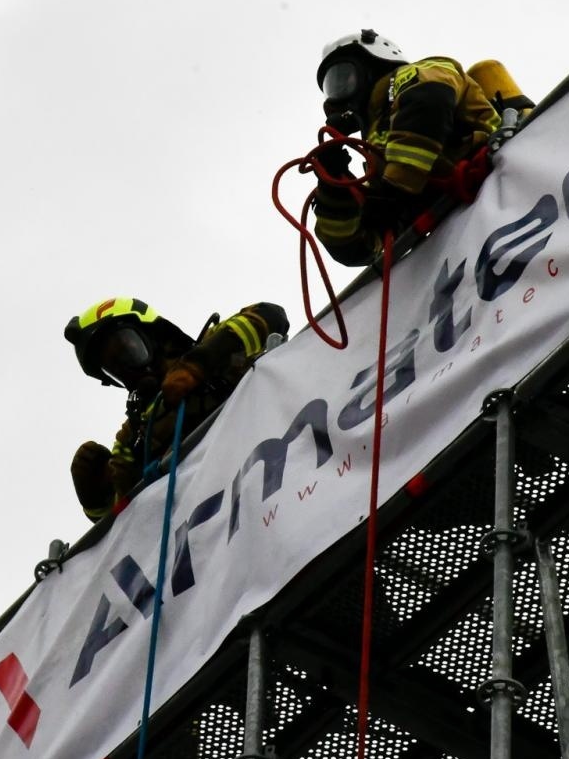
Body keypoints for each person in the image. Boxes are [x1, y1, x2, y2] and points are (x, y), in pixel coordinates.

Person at [311, 29, 534, 266]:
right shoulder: (377, 159)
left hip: (508, 185)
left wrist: (393, 192)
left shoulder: (421, 73)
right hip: (473, 238)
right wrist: (333, 185)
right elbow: (357, 249)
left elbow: (428, 103)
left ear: (374, 61)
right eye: (333, 85)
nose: (340, 89)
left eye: (344, 76)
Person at [64, 297, 289, 521]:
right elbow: (118, 526)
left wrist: (197, 365)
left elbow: (271, 316)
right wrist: (95, 497)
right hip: (215, 526)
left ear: (153, 336)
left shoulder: (217, 350)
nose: (125, 367)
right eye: (114, 367)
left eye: (126, 349)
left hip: (276, 479)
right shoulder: (135, 434)